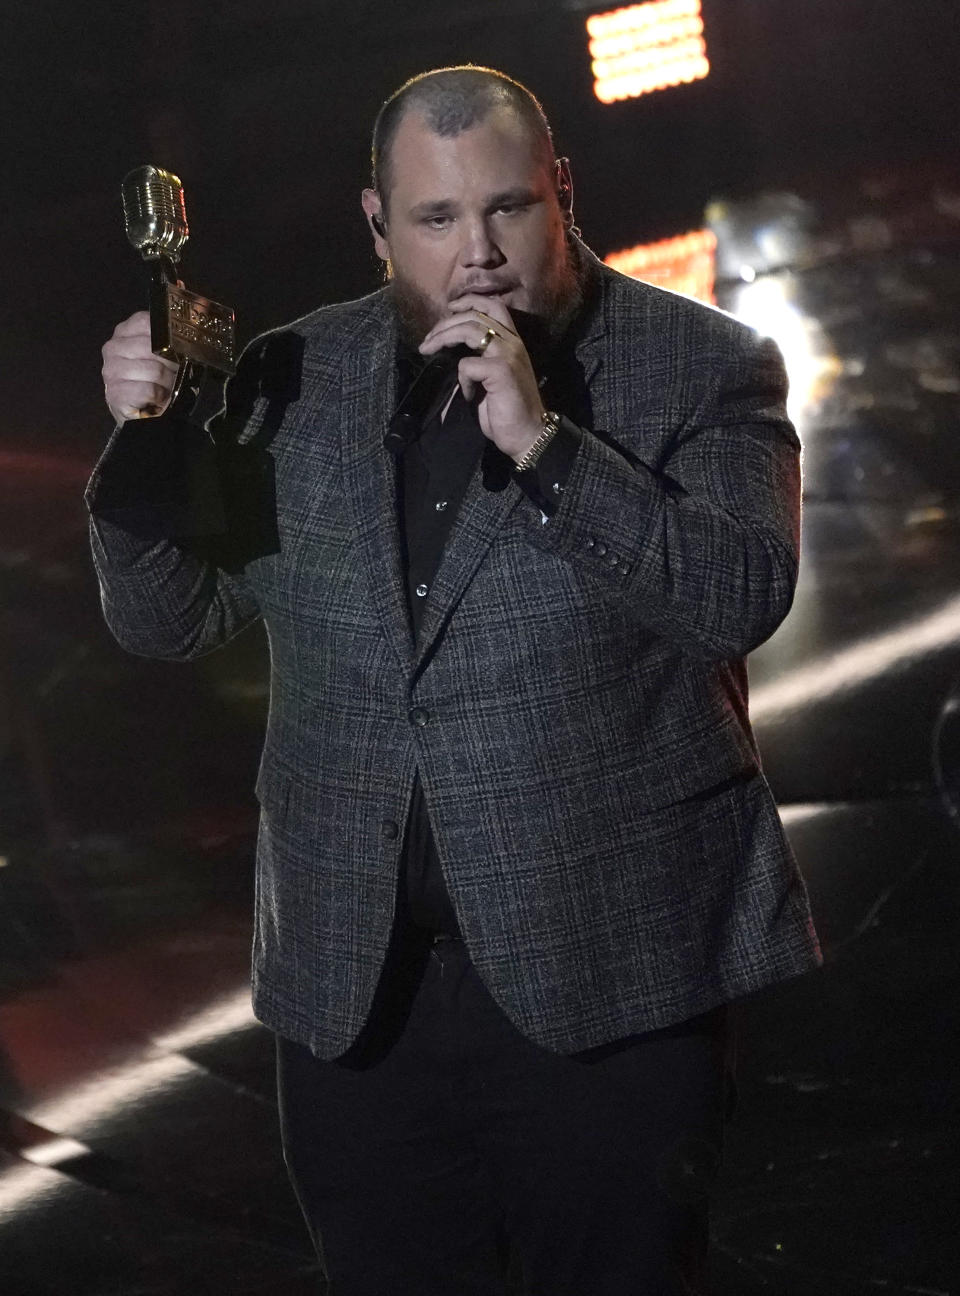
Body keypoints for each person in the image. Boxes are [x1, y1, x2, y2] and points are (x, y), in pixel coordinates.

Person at [89, 65, 821, 1296]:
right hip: (359, 1003)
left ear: (561, 193)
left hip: (610, 991)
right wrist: (146, 442)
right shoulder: (293, 376)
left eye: (508, 210)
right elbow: (169, 621)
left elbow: (737, 596)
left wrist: (546, 448)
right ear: (376, 227)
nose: (476, 252)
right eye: (434, 220)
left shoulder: (702, 364)